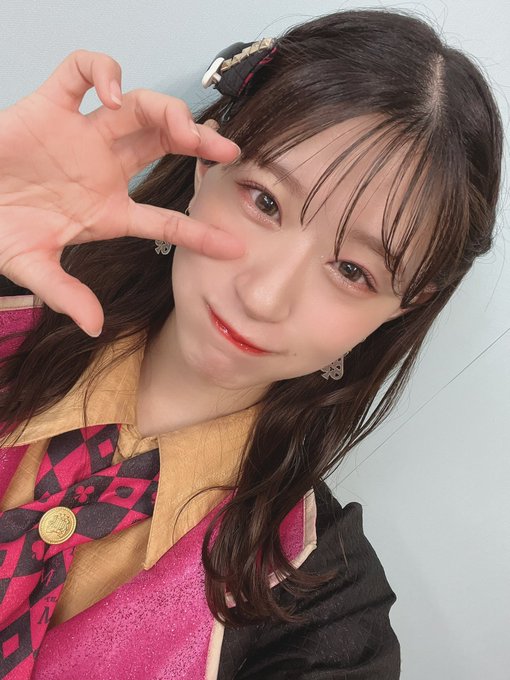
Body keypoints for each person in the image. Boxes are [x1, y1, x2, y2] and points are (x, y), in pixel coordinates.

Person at [0, 7, 502, 680]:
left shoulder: (326, 613)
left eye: (352, 271)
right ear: (206, 161)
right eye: (265, 202)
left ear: (403, 306)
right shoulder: (10, 302)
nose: (265, 297)